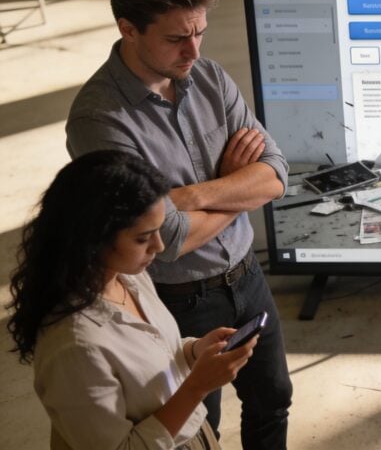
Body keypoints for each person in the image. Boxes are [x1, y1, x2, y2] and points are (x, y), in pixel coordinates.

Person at [65, 0, 292, 449]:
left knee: (273, 399)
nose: (193, 51)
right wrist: (236, 187)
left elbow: (275, 174)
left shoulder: (208, 77)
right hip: (175, 300)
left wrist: (188, 196)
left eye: (200, 32)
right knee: (192, 429)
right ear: (128, 28)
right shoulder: (99, 120)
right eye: (175, 38)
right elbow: (165, 238)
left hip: (247, 276)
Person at [6, 151, 258, 449]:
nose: (159, 246)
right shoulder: (74, 348)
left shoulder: (127, 276)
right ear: (93, 238)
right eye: (143, 238)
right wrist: (198, 386)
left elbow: (149, 356)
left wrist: (193, 351)